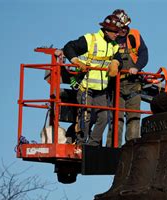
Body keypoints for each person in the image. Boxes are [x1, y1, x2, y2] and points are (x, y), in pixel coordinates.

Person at [63, 15, 123, 146]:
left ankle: (93, 144)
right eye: (115, 32)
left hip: (101, 90)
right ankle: (80, 143)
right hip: (86, 87)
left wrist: (115, 62)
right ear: (106, 30)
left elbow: (119, 59)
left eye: (118, 32)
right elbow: (68, 47)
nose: (117, 35)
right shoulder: (90, 39)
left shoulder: (114, 45)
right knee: (85, 117)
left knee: (104, 117)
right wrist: (76, 61)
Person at [106, 9, 149, 147]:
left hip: (133, 84)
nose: (123, 30)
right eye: (121, 27)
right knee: (116, 120)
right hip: (116, 86)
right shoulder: (110, 38)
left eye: (125, 27)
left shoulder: (135, 35)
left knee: (134, 120)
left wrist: (137, 67)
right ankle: (112, 150)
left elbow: (144, 53)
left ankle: (132, 150)